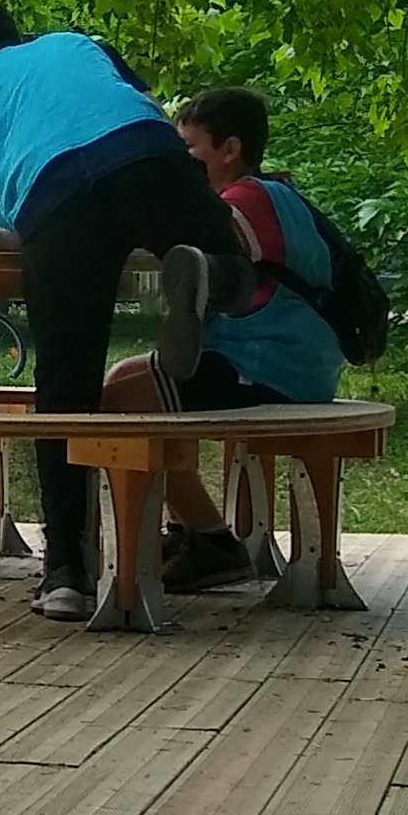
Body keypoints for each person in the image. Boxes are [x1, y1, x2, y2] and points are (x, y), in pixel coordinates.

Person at [0, 0, 243, 620]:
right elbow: (137, 105)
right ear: (18, 37)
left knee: (64, 388)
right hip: (150, 155)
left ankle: (66, 571)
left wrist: (37, 243)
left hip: (57, 197)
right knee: (230, 257)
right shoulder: (78, 43)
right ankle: (205, 275)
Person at [131, 86, 345, 593]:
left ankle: (212, 543)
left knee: (121, 399)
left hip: (274, 367)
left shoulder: (240, 204)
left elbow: (174, 253)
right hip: (292, 362)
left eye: (189, 150)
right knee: (142, 382)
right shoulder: (275, 193)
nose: (182, 165)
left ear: (229, 149)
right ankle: (186, 531)